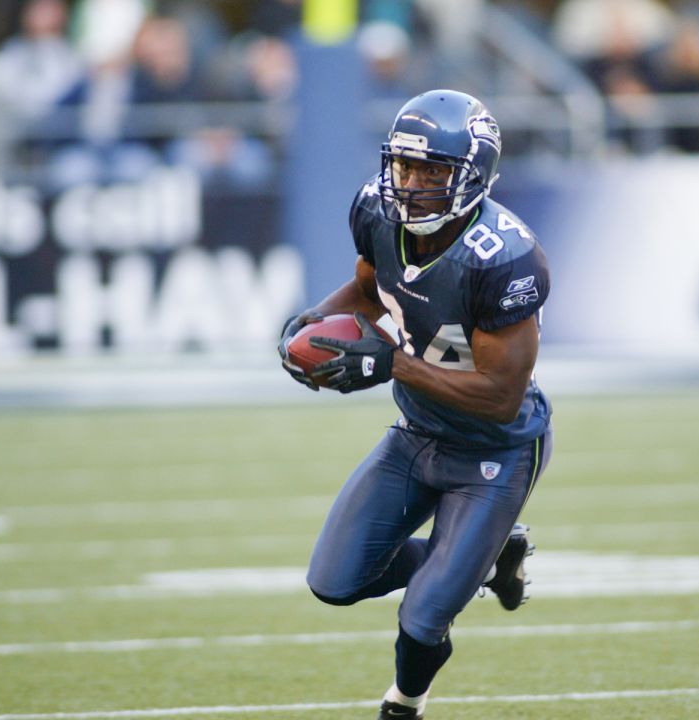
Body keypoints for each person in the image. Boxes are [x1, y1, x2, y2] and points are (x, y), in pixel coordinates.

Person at [277, 89, 552, 719]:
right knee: (333, 582)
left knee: (424, 617)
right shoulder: (376, 210)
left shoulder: (505, 258)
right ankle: (484, 558)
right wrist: (315, 321)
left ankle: (404, 704)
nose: (414, 184)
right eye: (406, 166)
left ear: (474, 173)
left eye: (434, 171)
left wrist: (393, 363)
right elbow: (371, 288)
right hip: (416, 433)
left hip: (496, 450)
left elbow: (502, 398)